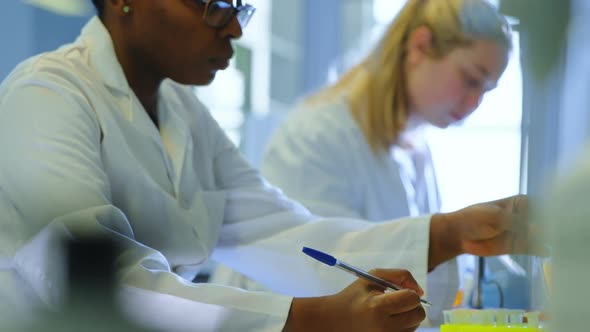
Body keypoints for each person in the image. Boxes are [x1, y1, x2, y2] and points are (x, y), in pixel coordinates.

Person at [0, 0, 529, 331]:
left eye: (240, 7)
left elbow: (283, 233)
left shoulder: (184, 115)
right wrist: (307, 319)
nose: (233, 29)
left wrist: (448, 233)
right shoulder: (45, 95)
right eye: (213, 4)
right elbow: (92, 282)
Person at [211, 0, 513, 324]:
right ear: (420, 46)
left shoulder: (416, 151)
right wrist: (448, 236)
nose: (475, 104)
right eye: (470, 79)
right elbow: (316, 276)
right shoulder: (318, 135)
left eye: (487, 91)